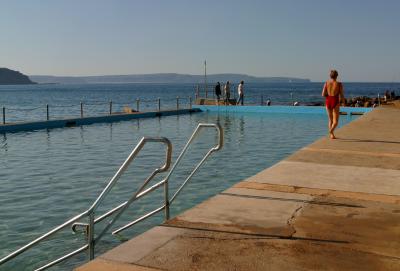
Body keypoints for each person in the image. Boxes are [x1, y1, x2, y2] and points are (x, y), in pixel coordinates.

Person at [322, 70, 345, 139]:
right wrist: (343, 102)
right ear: (337, 76)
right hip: (335, 101)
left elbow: (323, 94)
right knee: (336, 122)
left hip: (328, 100)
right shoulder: (339, 84)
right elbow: (341, 95)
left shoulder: (326, 83)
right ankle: (331, 131)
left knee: (330, 120)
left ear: (330, 76)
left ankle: (332, 135)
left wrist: (328, 97)